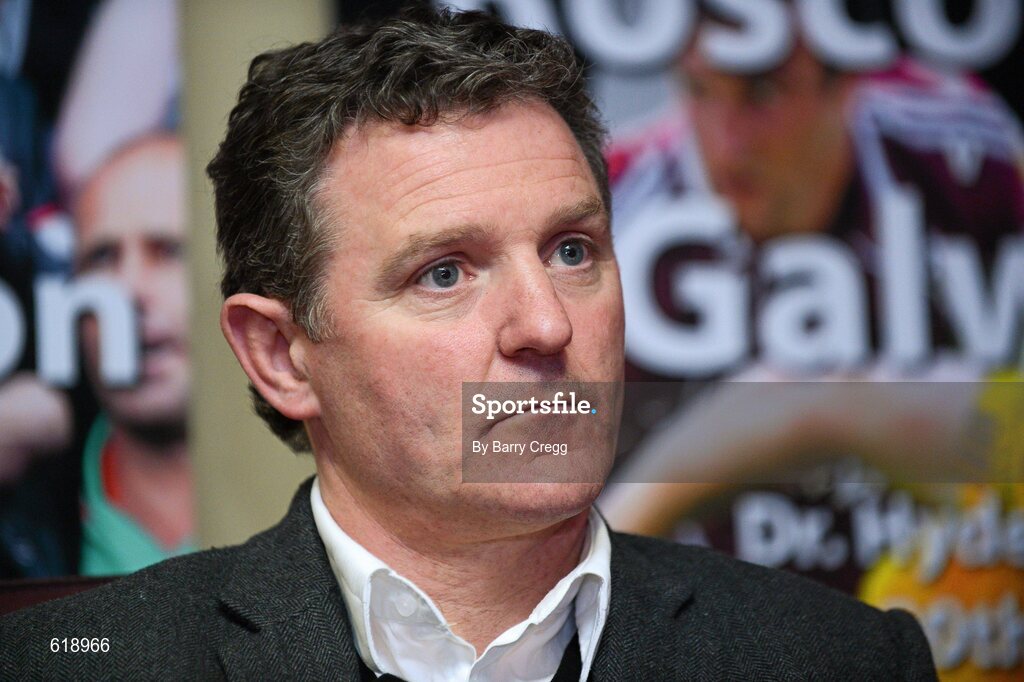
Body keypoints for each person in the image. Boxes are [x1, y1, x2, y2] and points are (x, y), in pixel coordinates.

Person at [0, 8, 937, 680]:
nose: (547, 325)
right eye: (444, 272)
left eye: (573, 251)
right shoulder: (85, 664)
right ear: (282, 356)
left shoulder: (840, 658)